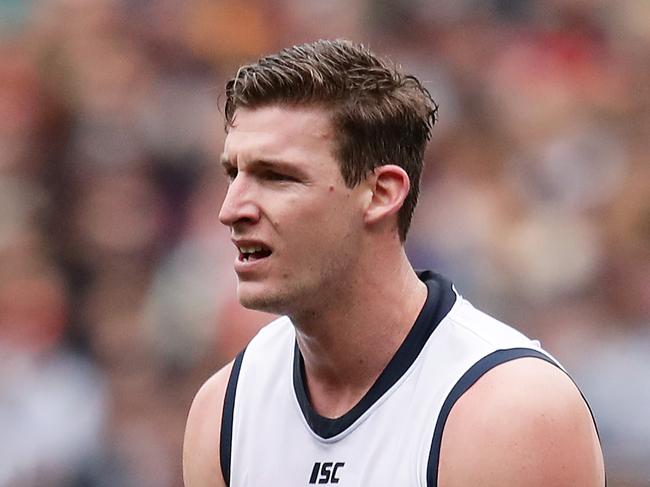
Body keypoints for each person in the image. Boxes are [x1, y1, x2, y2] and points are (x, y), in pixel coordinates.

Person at [183, 39, 605, 486]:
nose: (232, 209)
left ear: (382, 194)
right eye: (234, 174)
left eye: (277, 176)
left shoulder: (510, 414)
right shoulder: (225, 412)